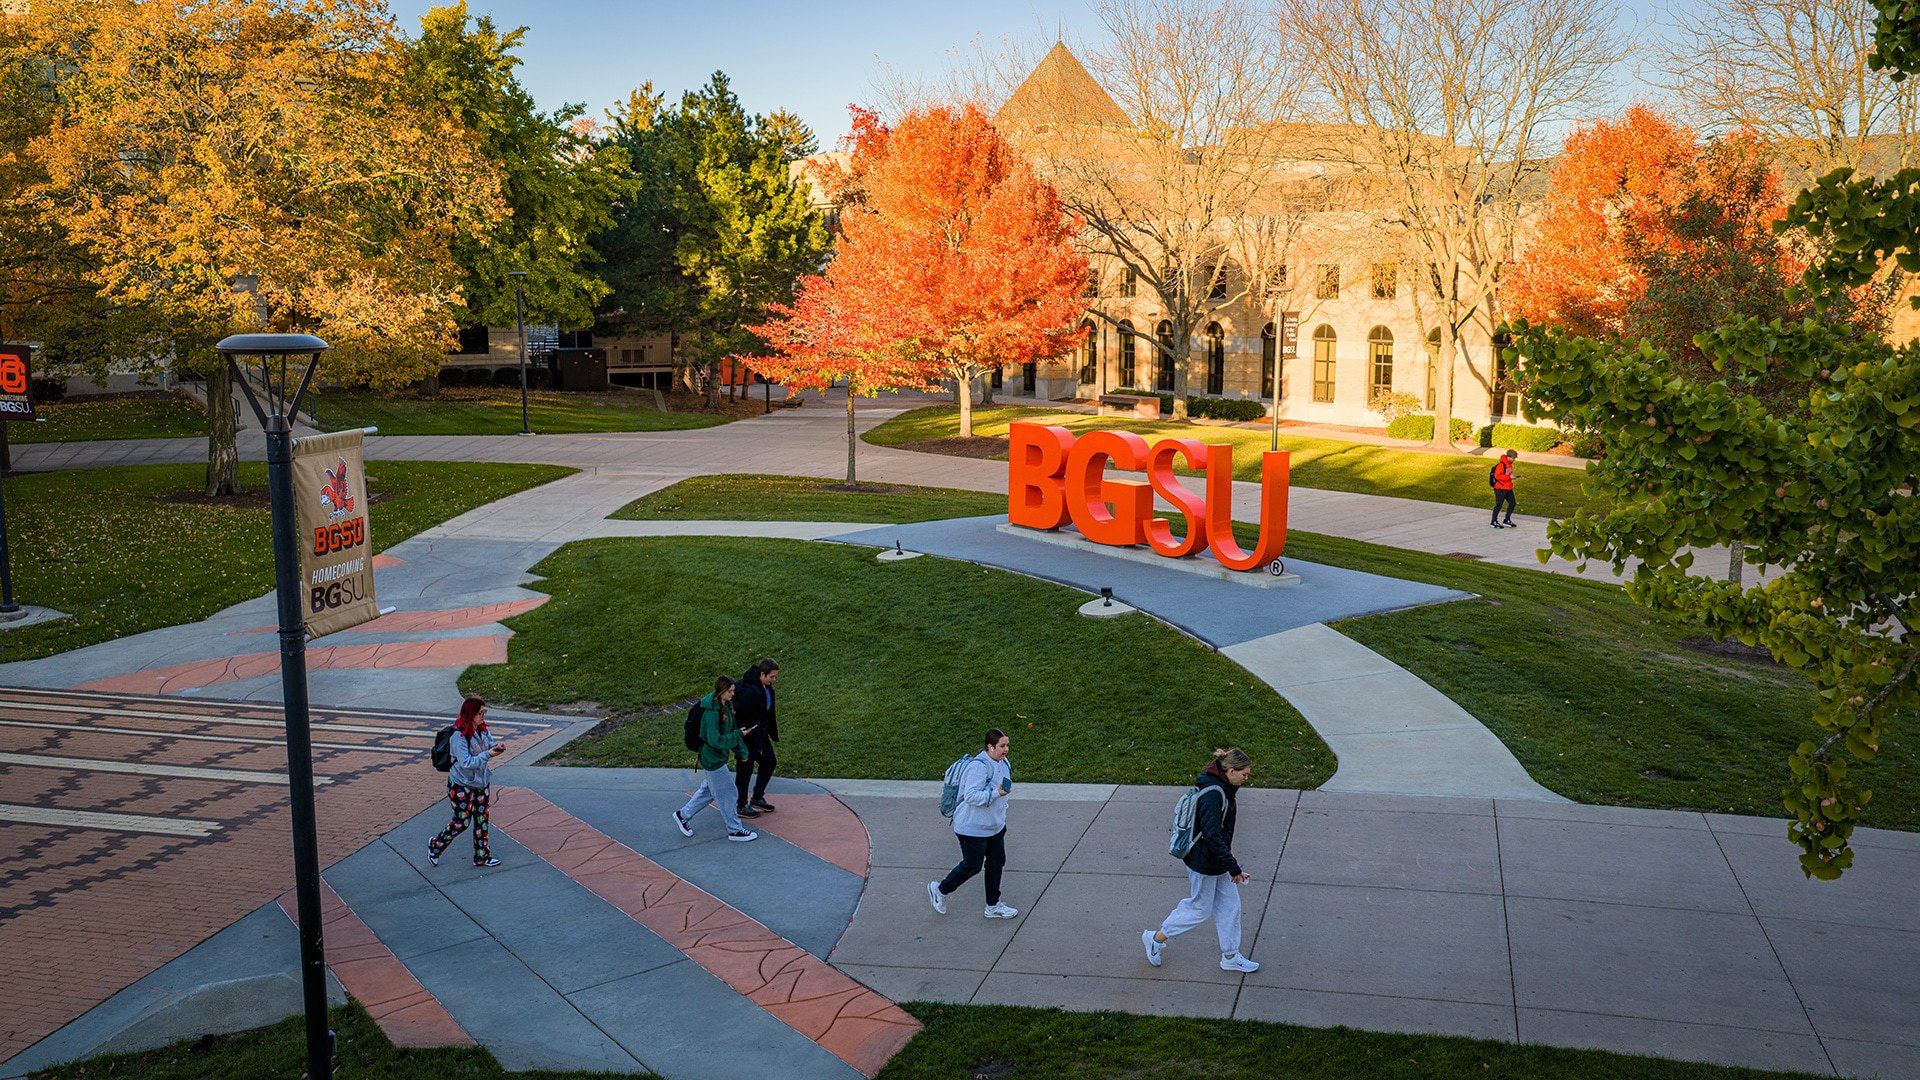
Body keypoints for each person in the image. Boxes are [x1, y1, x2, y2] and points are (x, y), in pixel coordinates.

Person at [1143, 748, 1259, 973]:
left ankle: (1230, 956)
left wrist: (1229, 865)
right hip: (1204, 862)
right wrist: (1233, 868)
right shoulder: (1214, 794)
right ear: (1231, 771)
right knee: (1199, 908)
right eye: (1244, 774)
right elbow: (1212, 836)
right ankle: (1155, 938)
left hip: (1215, 860)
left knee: (1230, 906)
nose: (1247, 778)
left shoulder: (1224, 787)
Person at [929, 728, 1018, 919]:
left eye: (1007, 745)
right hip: (972, 828)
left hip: (994, 826)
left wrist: (1001, 811)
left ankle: (993, 906)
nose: (1006, 749)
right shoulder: (978, 767)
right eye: (1002, 746)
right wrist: (996, 794)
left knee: (996, 862)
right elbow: (970, 796)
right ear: (990, 746)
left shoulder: (1003, 762)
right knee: (972, 866)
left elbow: (1004, 788)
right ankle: (940, 890)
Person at [671, 676, 759, 842]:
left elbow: (731, 730)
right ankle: (735, 831)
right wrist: (739, 736)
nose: (734, 694)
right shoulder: (711, 713)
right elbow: (715, 740)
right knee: (728, 794)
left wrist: (742, 752)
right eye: (730, 691)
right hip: (712, 759)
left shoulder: (725, 705)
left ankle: (683, 815)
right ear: (721, 692)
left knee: (709, 790)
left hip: (717, 757)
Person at [428, 697, 506, 868]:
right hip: (461, 785)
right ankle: (435, 845)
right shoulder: (458, 736)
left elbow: (488, 745)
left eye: (485, 712)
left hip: (481, 783)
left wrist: (496, 747)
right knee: (462, 822)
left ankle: (481, 856)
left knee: (482, 820)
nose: (483, 716)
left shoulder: (483, 730)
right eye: (480, 713)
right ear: (470, 714)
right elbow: (466, 763)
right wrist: (489, 755)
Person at [733, 659, 780, 818]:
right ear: (762, 674)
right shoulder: (750, 692)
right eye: (771, 677)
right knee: (745, 768)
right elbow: (739, 715)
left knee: (769, 761)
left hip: (760, 733)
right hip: (748, 736)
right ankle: (740, 805)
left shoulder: (765, 686)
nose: (773, 680)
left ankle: (757, 797)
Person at [1491, 448, 1518, 529]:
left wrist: (1511, 477)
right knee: (1498, 505)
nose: (1514, 460)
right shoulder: (1501, 465)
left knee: (1512, 503)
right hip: (1500, 488)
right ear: (1509, 457)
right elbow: (1497, 476)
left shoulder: (1509, 465)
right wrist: (1509, 477)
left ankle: (1507, 519)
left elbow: (1508, 474)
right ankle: (1493, 521)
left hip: (1508, 487)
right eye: (1513, 458)